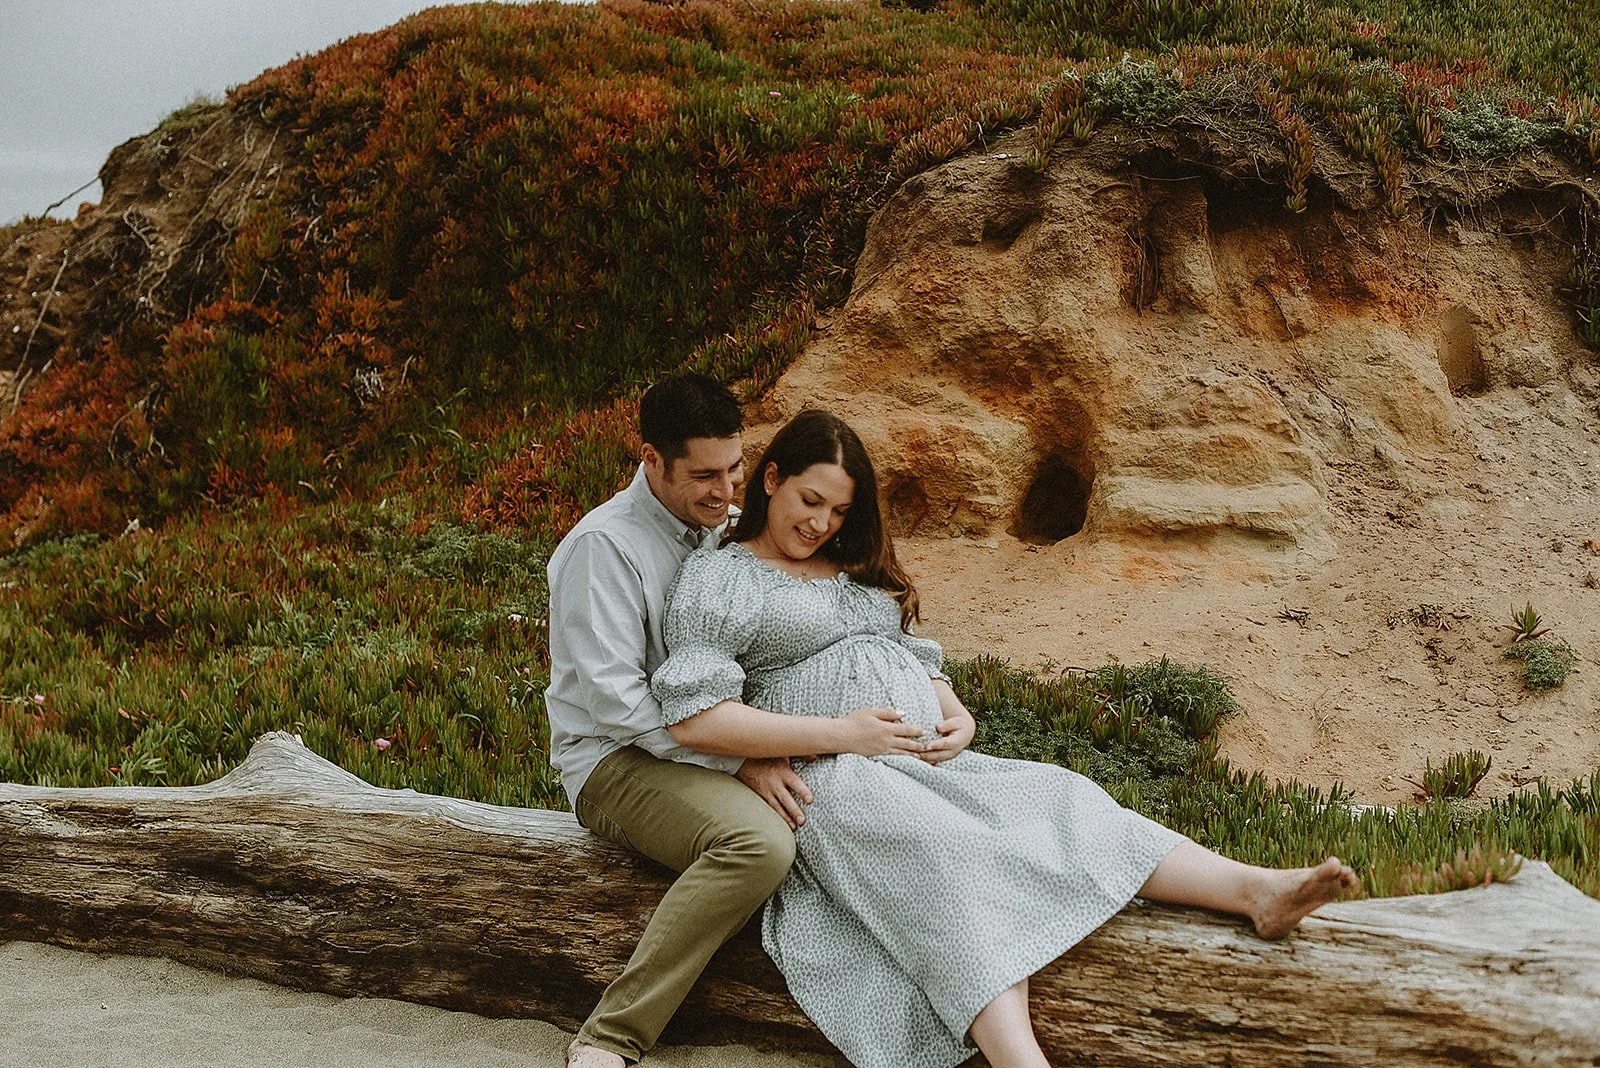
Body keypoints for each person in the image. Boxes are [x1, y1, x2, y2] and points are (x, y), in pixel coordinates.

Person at [651, 408, 1359, 1068]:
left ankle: (1255, 890)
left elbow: (909, 653)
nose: (822, 524)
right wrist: (842, 734)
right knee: (949, 859)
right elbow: (696, 714)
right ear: (772, 479)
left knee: (1063, 795)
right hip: (829, 780)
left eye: (839, 511)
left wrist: (954, 710)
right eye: (810, 502)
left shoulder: (852, 567)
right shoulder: (724, 576)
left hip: (921, 763)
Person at [547, 376, 926, 1068]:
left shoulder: (721, 529)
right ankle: (611, 1036)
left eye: (735, 469)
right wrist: (737, 759)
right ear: (650, 460)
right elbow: (616, 706)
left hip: (717, 741)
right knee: (761, 845)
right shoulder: (603, 548)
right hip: (615, 762)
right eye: (704, 475)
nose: (725, 492)